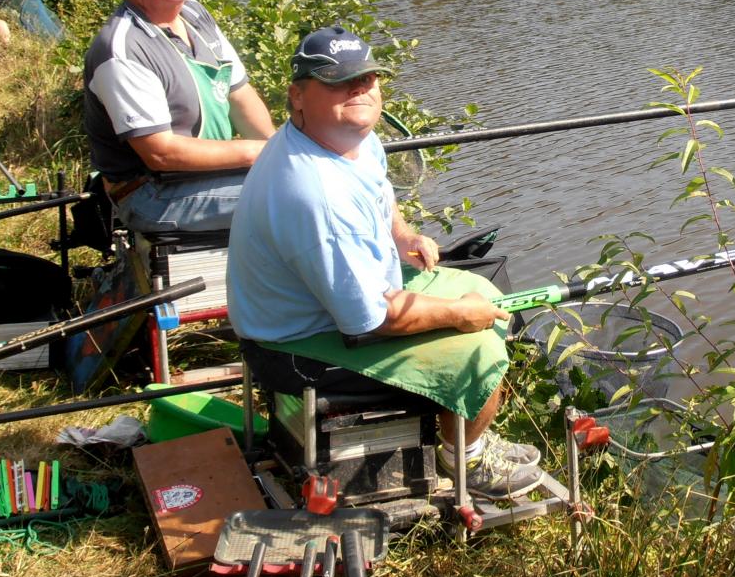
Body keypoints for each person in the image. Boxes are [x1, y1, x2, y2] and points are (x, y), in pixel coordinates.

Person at [227, 26, 543, 500]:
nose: (359, 89)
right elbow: (371, 318)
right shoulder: (313, 191)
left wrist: (402, 234)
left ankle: (464, 434)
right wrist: (459, 315)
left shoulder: (349, 136)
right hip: (291, 344)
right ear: (297, 95)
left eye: (368, 78)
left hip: (340, 303)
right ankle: (465, 460)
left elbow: (378, 187)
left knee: (493, 296)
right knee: (480, 344)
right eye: (338, 81)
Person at [83, 0, 274, 233]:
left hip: (204, 175)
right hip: (151, 192)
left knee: (326, 175)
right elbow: (161, 153)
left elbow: (239, 94)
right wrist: (257, 153)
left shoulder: (194, 13)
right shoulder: (121, 48)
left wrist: (276, 146)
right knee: (302, 194)